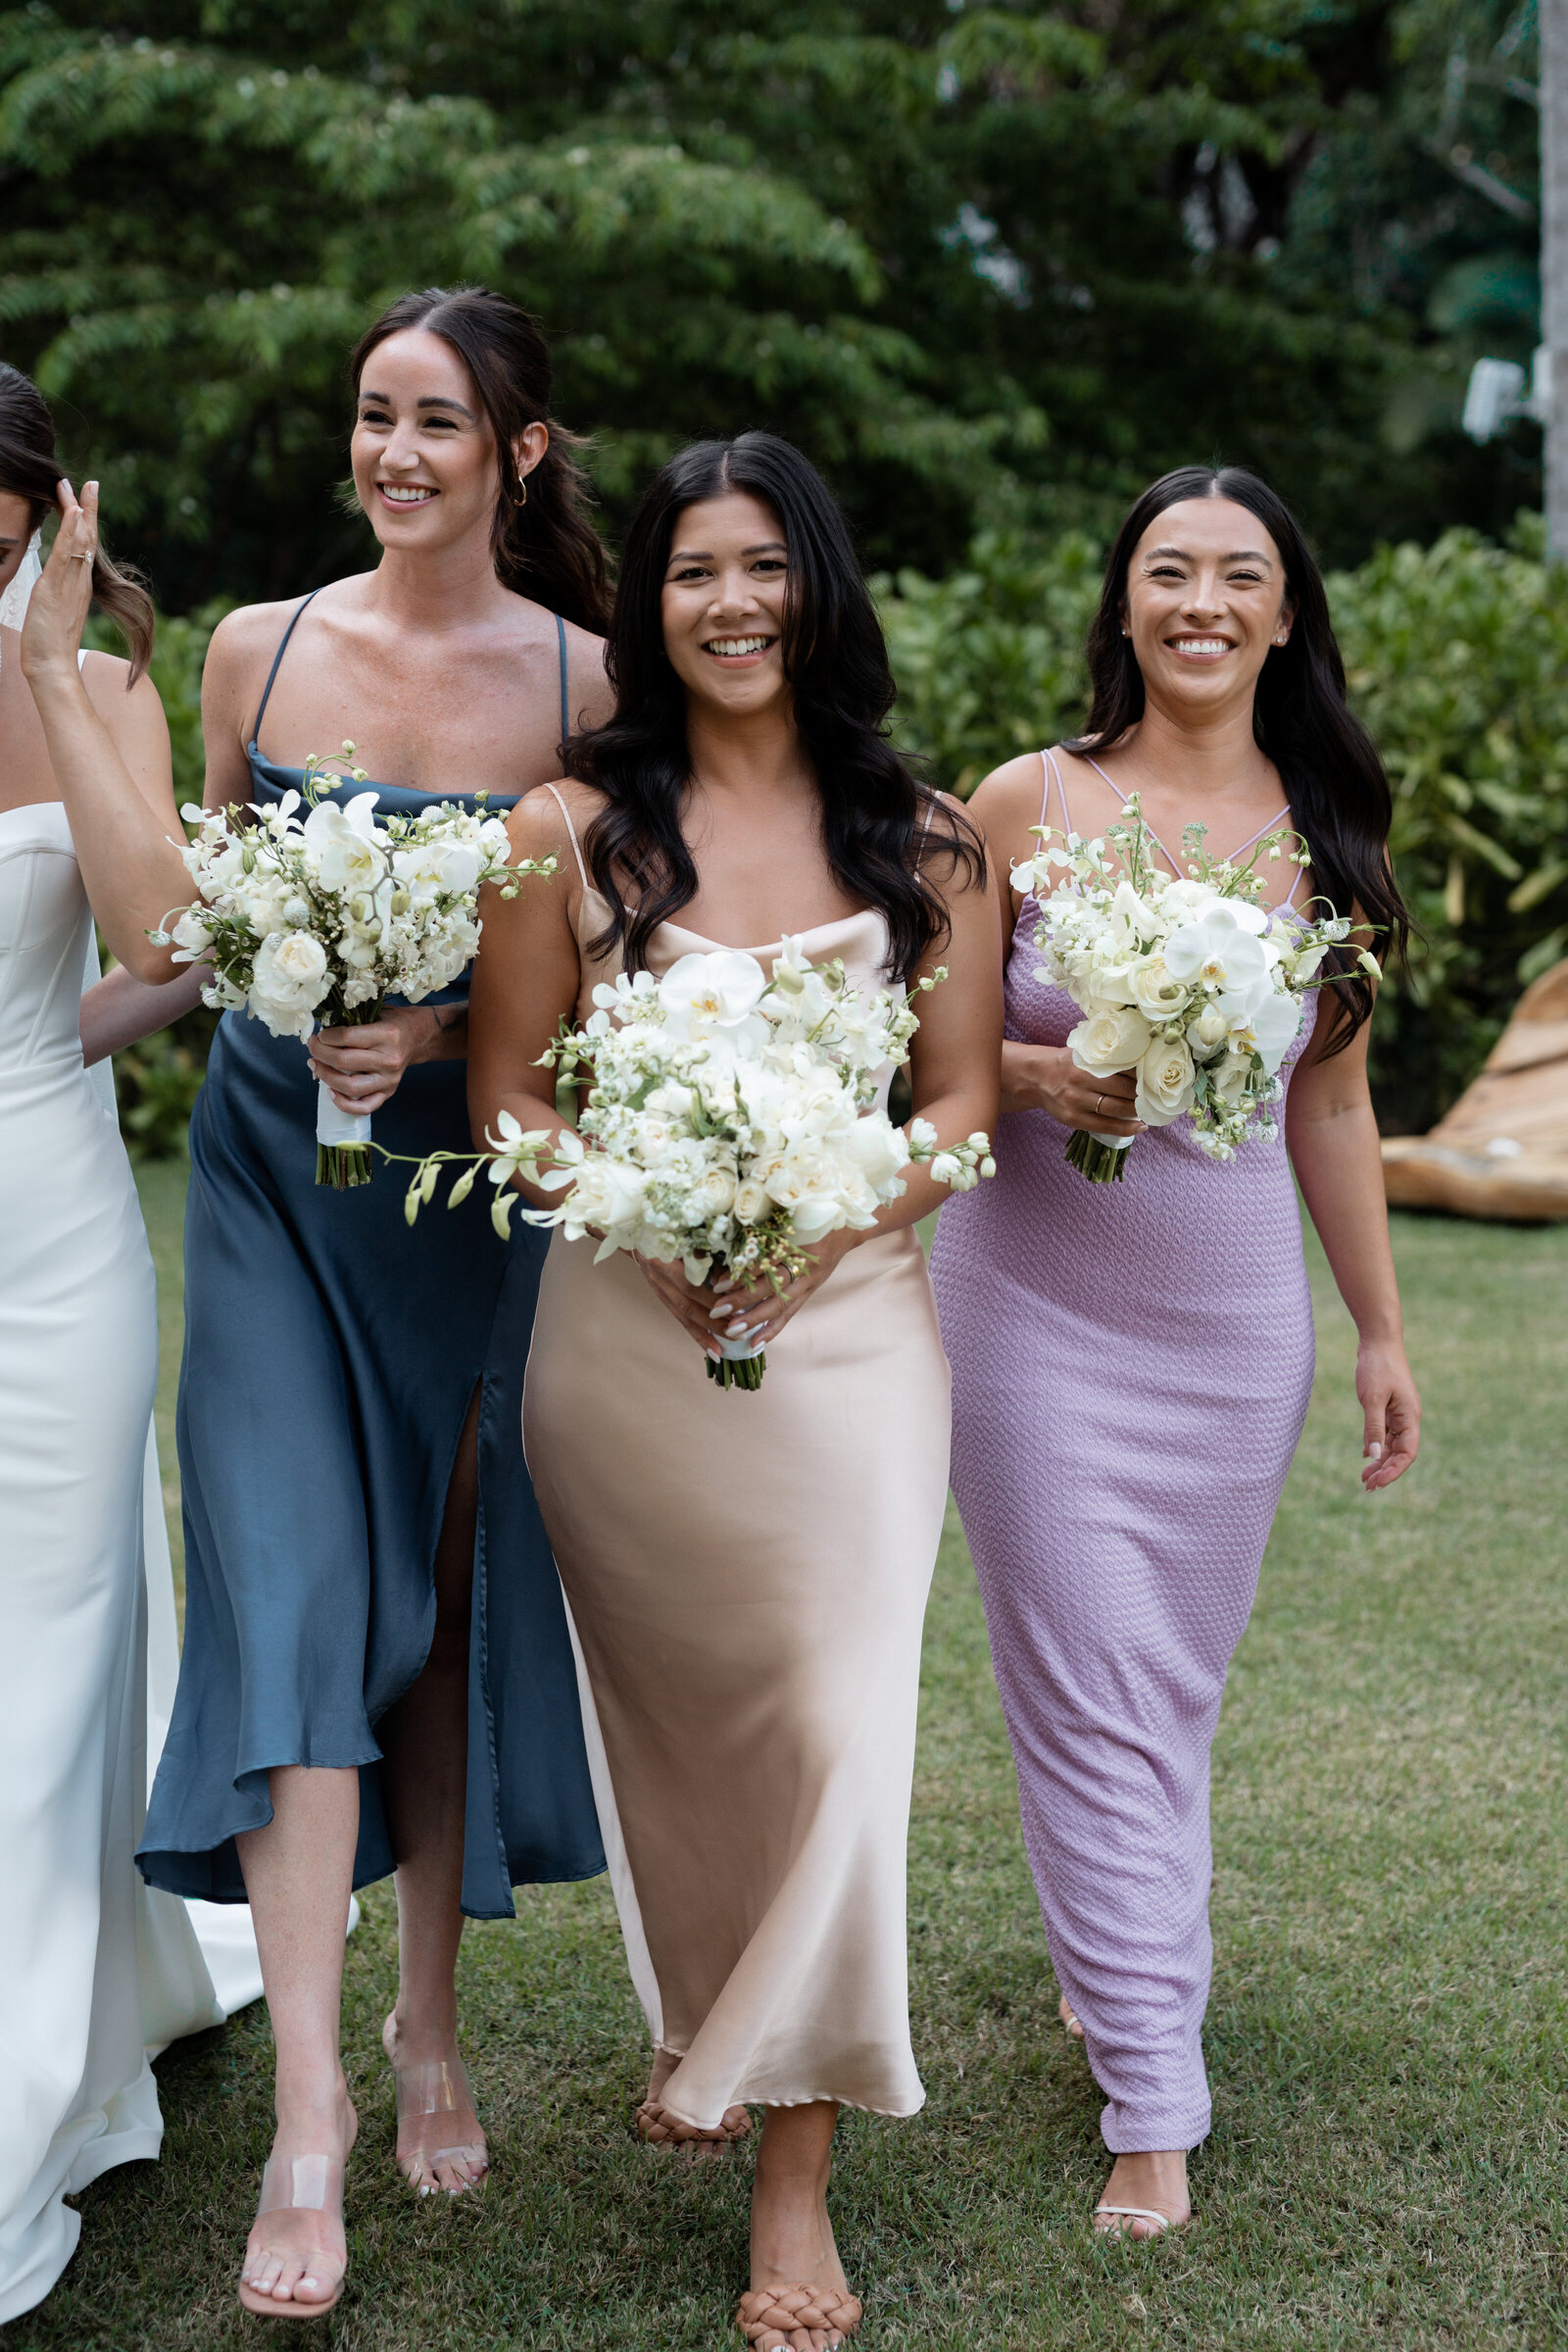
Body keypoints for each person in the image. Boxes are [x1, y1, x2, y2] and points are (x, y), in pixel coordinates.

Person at [467, 431, 1001, 2351]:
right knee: (699, 1736)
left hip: (855, 1337)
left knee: (837, 1715)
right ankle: (721, 2023)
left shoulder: (923, 839)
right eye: (692, 570)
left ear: (819, 587)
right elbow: (510, 1095)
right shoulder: (565, 833)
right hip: (625, 1344)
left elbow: (959, 1101)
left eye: (764, 566)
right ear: (648, 602)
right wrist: (647, 1204)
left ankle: (792, 2179)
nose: (730, 603)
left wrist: (826, 1202)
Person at [135, 287, 612, 2320]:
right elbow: (200, 911)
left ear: (514, 450)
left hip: (456, 1204)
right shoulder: (260, 645)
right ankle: (312, 2109)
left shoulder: (593, 681)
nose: (392, 455)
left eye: (433, 423)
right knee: (293, 1587)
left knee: (437, 1586)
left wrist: (436, 1019)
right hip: (261, 1184)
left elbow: (615, 946)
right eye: (370, 418)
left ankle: (429, 2018)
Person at [931, 465, 1421, 2239]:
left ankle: (1113, 1960)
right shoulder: (1025, 800)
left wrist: (1378, 1324)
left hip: (1229, 1327)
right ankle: (1155, 2093)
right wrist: (1046, 1079)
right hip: (1028, 1308)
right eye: (1168, 571)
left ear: (1286, 615)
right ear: (1124, 604)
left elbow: (1339, 1100)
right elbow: (942, 1062)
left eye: (1241, 575)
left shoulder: (1330, 822)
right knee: (1089, 1683)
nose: (1203, 601)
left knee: (1167, 1689)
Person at [0, 366, 255, 2324]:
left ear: (30, 508)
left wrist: (68, 669)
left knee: (52, 1635)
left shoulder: (92, 694)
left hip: (48, 1233)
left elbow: (170, 949)